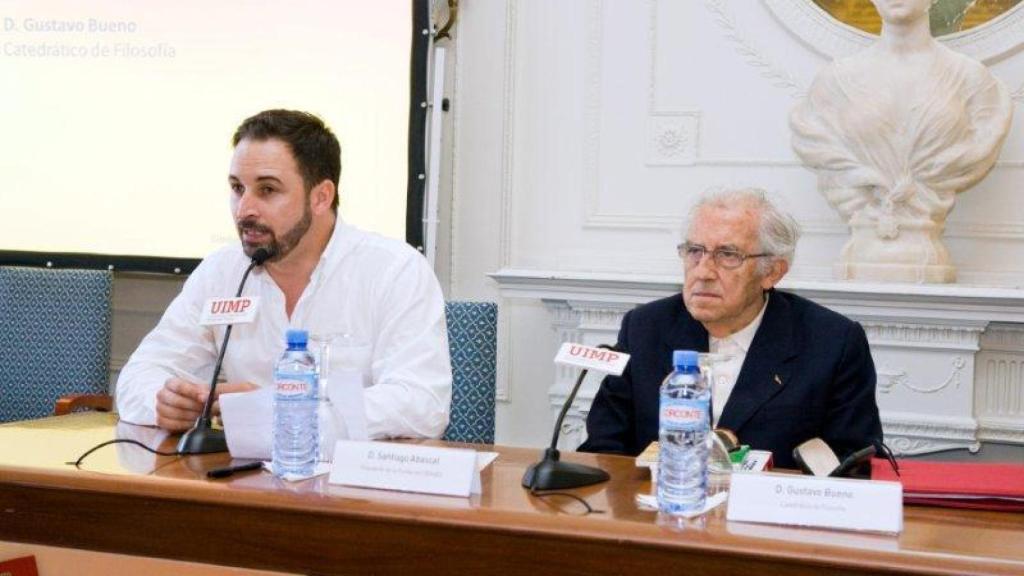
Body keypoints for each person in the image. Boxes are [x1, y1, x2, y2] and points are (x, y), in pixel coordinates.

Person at [116, 109, 452, 439]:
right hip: (239, 484)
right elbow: (138, 377)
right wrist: (164, 402)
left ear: (321, 197)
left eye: (267, 190)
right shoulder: (223, 271)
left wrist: (278, 407)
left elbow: (422, 405)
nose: (244, 209)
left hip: (354, 487)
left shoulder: (394, 270)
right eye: (237, 188)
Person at [579, 188, 882, 468]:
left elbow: (853, 463)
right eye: (695, 250)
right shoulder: (645, 328)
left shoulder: (832, 343)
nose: (704, 271)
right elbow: (604, 449)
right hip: (661, 511)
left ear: (772, 272)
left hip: (773, 519)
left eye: (728, 255)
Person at [790, 0, 1012, 283]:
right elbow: (815, 143)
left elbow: (983, 138)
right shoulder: (835, 81)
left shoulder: (971, 79)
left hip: (927, 255)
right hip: (863, 250)